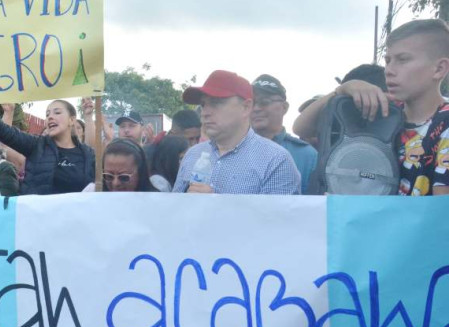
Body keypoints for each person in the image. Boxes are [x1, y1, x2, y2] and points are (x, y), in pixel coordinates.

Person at [295, 20, 449, 196]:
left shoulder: (445, 125)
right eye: (388, 60)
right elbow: (302, 128)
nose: (389, 70)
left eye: (403, 60)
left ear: (439, 68)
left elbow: (442, 209)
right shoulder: (382, 110)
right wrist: (342, 89)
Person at [172, 70, 300, 194]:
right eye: (203, 104)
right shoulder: (192, 155)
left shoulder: (275, 161)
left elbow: (276, 215)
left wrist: (214, 205)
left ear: (246, 107)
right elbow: (174, 211)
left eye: (216, 103)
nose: (205, 112)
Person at [0, 101, 95, 195]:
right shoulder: (36, 145)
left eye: (57, 112)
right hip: (37, 222)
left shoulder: (88, 155)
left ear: (72, 120)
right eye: (47, 114)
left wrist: (89, 117)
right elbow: (0, 129)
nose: (50, 117)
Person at [250, 74, 318, 193]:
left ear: (284, 107)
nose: (256, 108)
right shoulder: (232, 149)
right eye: (251, 103)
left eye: (264, 102)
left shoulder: (307, 155)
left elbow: (315, 204)